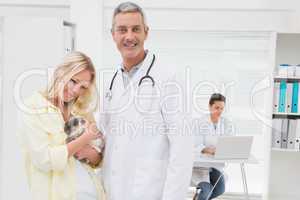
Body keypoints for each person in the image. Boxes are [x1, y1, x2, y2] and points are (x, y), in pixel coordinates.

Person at [100, 2, 194, 200]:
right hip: (112, 190)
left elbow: (182, 148)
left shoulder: (168, 77)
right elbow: (106, 138)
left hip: (149, 191)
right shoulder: (110, 81)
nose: (129, 36)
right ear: (113, 35)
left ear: (146, 32)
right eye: (122, 30)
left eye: (136, 29)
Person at [17, 51, 106, 200]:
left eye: (83, 87)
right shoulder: (33, 108)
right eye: (73, 81)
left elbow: (98, 159)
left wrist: (90, 153)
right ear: (60, 73)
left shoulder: (82, 109)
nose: (76, 90)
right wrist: (84, 139)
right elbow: (45, 161)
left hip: (94, 194)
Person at [192, 93, 235, 200]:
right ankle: (201, 196)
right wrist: (206, 149)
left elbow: (230, 141)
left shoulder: (226, 123)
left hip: (216, 165)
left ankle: (198, 197)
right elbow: (195, 144)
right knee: (206, 191)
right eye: (216, 107)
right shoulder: (199, 122)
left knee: (220, 189)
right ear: (210, 106)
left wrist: (225, 149)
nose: (219, 111)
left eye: (222, 108)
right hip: (201, 165)